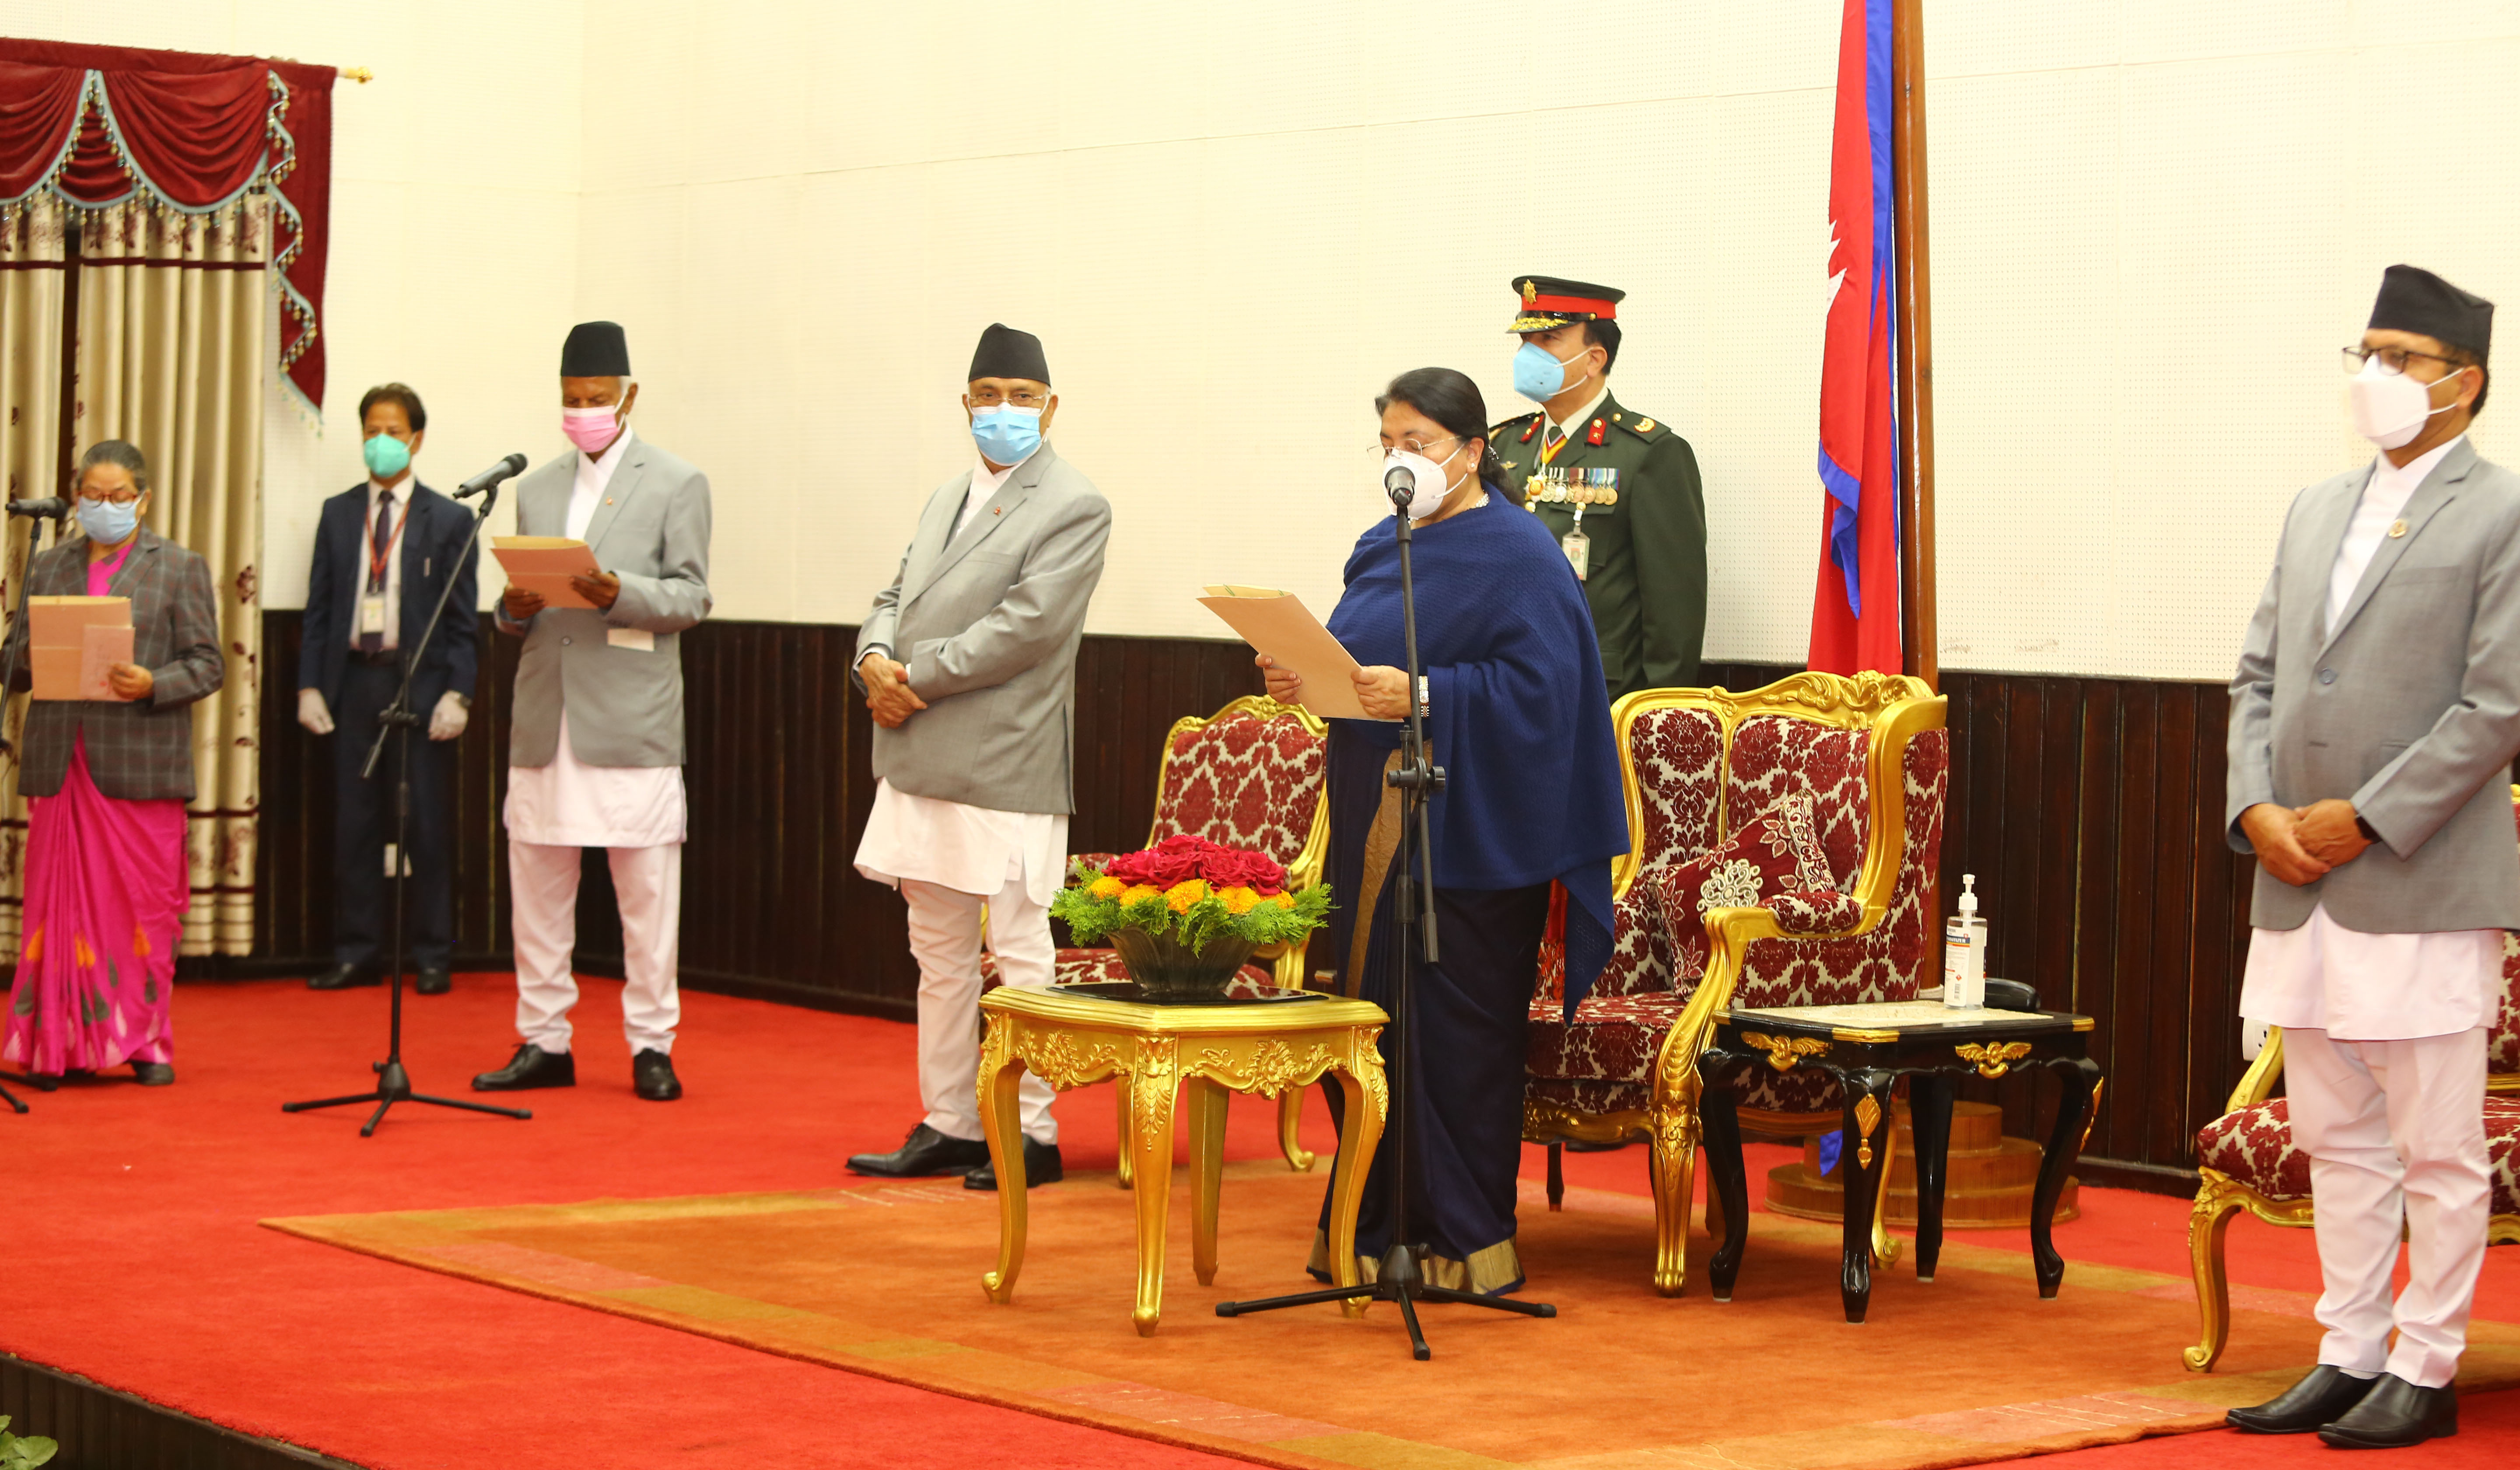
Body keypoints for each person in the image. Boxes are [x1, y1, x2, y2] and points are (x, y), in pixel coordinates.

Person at [2223, 265, 2517, 1450]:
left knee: (2436, 1146)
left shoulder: (2501, 512)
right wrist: (2258, 812)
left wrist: (2370, 815)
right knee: (2333, 1135)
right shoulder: (2313, 507)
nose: (2378, 378)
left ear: (2465, 382)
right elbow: (2256, 679)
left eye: (2404, 358)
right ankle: (2348, 1350)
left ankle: (2429, 1362)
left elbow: (2496, 707)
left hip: (2420, 878)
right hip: (2297, 879)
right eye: (2369, 354)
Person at [1260, 367, 1628, 1294]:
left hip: (1470, 840)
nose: (1400, 460)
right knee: (1372, 1029)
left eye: (1417, 444)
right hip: (1371, 831)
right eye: (1387, 444)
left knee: (1454, 1046)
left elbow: (1548, 696)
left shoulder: (1521, 551)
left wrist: (1427, 695)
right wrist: (1304, 678)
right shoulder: (1378, 547)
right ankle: (1372, 1224)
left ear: (1470, 452)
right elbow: (1357, 666)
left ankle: (1463, 1240)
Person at [845, 323, 1111, 1191]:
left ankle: (1032, 1134)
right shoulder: (943, 497)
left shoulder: (1073, 502)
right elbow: (893, 593)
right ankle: (952, 1121)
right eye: (990, 394)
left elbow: (1027, 629)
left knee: (1021, 948)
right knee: (938, 951)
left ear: (1052, 406)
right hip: (921, 750)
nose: (1006, 410)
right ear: (966, 403)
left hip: (1004, 757)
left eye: (1023, 397)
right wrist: (872, 662)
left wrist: (911, 675)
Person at [472, 321, 712, 1104]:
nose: (583, 412)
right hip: (548, 710)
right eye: (572, 401)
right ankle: (544, 1039)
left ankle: (652, 1043)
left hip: (628, 712)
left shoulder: (677, 480)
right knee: (538, 885)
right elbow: (518, 610)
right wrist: (511, 607)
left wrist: (624, 593)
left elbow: (692, 595)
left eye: (597, 400)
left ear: (629, 396)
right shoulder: (536, 486)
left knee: (645, 893)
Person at [0, 441, 223, 1088]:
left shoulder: (178, 567)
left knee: (142, 909)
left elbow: (208, 664)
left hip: (139, 762)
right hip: (61, 760)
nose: (105, 507)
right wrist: (28, 656)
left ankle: (145, 1041)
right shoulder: (49, 566)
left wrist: (151, 681)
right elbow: (17, 663)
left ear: (143, 500)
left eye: (119, 497)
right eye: (93, 497)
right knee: (56, 906)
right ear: (76, 500)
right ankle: (59, 1042)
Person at [297, 383, 480, 997]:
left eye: (394, 432)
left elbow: (462, 619)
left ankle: (433, 954)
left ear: (417, 440)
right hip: (353, 684)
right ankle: (356, 951)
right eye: (371, 430)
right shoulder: (340, 512)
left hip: (421, 687)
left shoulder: (450, 519)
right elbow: (319, 609)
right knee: (355, 824)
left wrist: (460, 693)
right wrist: (310, 687)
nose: (381, 442)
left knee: (425, 825)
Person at [1488, 275, 1707, 701]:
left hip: (1596, 694)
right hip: (1504, 687)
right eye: (1525, 342)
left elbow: (1673, 615)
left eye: (1549, 339)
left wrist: (1655, 720)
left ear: (1594, 359)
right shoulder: (1502, 445)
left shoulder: (1649, 454)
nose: (1528, 355)